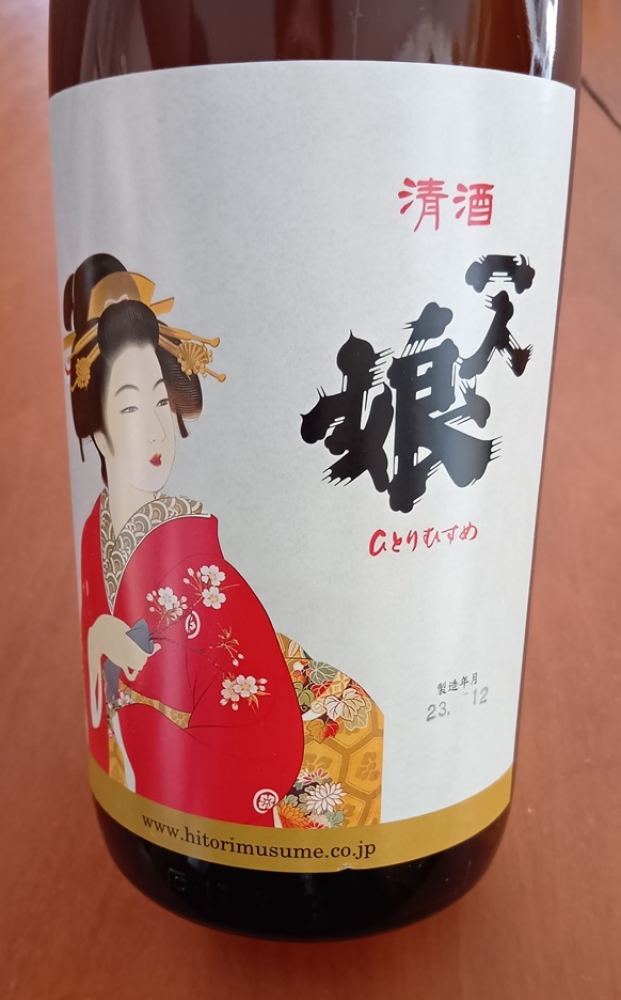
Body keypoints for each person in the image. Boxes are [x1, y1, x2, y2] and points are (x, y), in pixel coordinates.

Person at [66, 254, 383, 830]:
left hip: (226, 756)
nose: (156, 430)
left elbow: (253, 711)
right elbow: (111, 694)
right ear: (97, 427)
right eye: (131, 406)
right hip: (146, 769)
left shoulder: (193, 563)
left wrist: (115, 654)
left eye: (162, 403)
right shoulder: (96, 533)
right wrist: (99, 641)